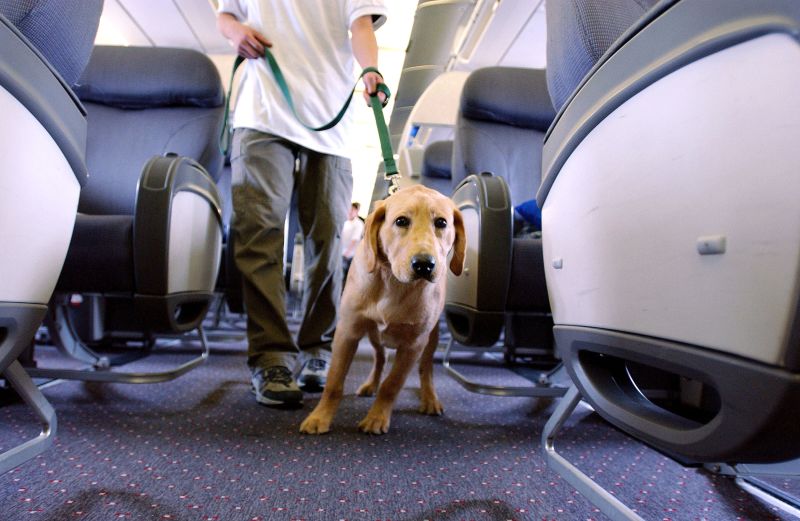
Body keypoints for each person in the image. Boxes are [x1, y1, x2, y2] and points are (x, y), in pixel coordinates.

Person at [216, 0, 388, 407]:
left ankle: (319, 350)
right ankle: (270, 357)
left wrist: (371, 69)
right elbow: (226, 14)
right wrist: (234, 32)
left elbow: (361, 26)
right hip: (262, 115)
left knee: (326, 241)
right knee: (258, 236)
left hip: (331, 122)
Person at [340, 202, 364, 283]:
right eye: (349, 209)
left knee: (345, 276)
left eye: (353, 210)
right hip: (341, 252)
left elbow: (355, 239)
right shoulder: (346, 221)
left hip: (350, 255)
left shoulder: (359, 224)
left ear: (357, 212)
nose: (350, 211)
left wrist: (348, 252)